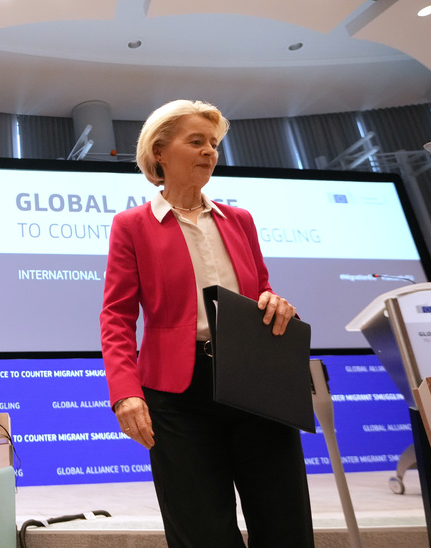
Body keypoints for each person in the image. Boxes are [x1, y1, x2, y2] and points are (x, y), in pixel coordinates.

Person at [100, 99, 313, 547]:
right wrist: (125, 394)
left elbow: (262, 290)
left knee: (284, 523)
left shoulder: (240, 220)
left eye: (213, 144)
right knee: (202, 531)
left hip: (256, 382)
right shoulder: (131, 225)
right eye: (195, 141)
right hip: (176, 397)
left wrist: (276, 303)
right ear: (159, 151)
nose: (209, 152)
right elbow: (118, 316)